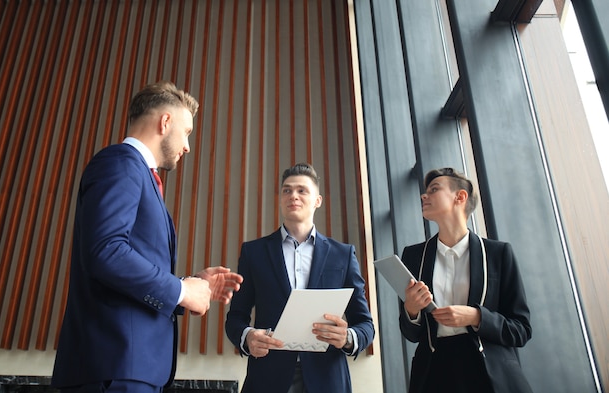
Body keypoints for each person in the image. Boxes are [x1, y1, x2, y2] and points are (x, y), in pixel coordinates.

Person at [51, 81, 243, 393]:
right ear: (165, 122)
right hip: (115, 367)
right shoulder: (120, 163)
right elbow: (107, 252)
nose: (188, 147)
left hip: (131, 368)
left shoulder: (135, 173)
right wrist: (180, 290)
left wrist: (191, 284)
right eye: (187, 132)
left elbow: (127, 264)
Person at [225, 163, 375, 393]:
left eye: (302, 190)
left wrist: (347, 337)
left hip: (327, 379)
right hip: (268, 377)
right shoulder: (253, 252)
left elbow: (365, 324)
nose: (293, 195)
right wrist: (247, 337)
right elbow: (235, 317)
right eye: (287, 190)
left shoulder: (342, 255)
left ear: (318, 200)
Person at [399, 167, 533, 393]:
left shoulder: (498, 254)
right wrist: (411, 311)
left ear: (460, 197)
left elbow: (521, 329)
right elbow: (412, 334)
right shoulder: (413, 257)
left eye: (434, 189)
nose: (424, 195)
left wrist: (476, 316)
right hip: (433, 374)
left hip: (488, 374)